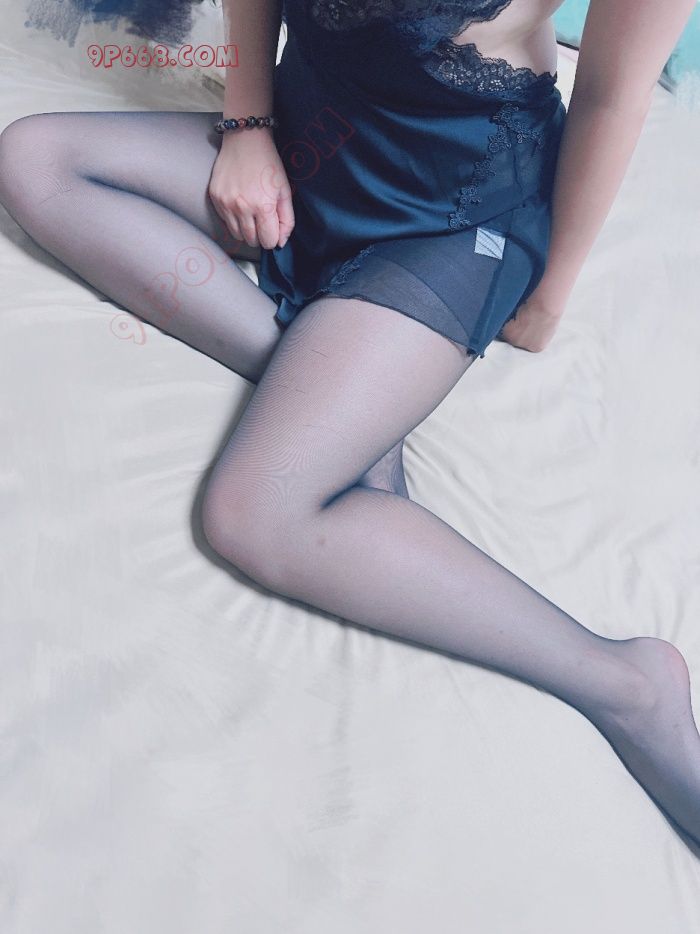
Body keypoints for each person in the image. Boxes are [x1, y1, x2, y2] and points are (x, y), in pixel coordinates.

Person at [0, 0, 698, 848]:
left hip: (449, 211)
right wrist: (248, 129)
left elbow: (613, 94)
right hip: (306, 142)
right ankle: (330, 385)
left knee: (253, 512)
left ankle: (627, 683)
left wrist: (551, 293)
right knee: (35, 160)